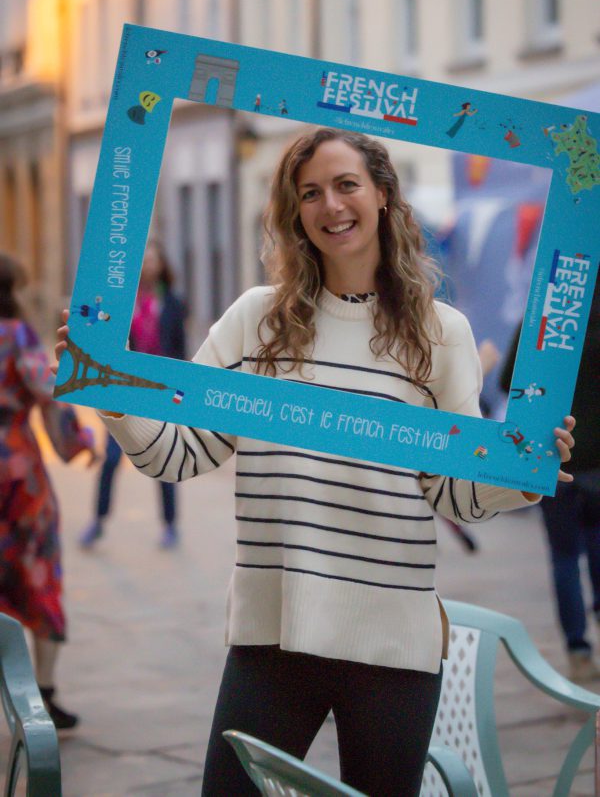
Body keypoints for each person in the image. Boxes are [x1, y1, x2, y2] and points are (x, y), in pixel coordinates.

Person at [55, 129, 575, 795]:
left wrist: (522, 475)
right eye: (310, 193)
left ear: (383, 195)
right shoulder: (255, 322)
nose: (331, 205)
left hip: (393, 642)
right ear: (294, 212)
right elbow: (179, 454)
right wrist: (111, 392)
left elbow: (454, 494)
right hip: (273, 640)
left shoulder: (441, 333)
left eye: (346, 184)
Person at [0, 253, 96, 729]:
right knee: (38, 570)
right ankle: (45, 692)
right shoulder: (15, 335)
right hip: (17, 475)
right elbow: (49, 390)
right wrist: (79, 444)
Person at [501, 276, 599, 683]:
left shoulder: (545, 319)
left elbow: (510, 381)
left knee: (563, 559)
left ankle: (578, 653)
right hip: (599, 467)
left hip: (553, 459)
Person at [79, 239, 186, 550]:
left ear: (162, 266)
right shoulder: (119, 303)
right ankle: (98, 521)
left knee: (163, 458)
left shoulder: (174, 303)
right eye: (143, 261)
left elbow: (180, 350)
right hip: (123, 390)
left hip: (160, 392)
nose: (148, 266)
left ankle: (170, 525)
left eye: (153, 260)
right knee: (111, 459)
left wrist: (179, 392)